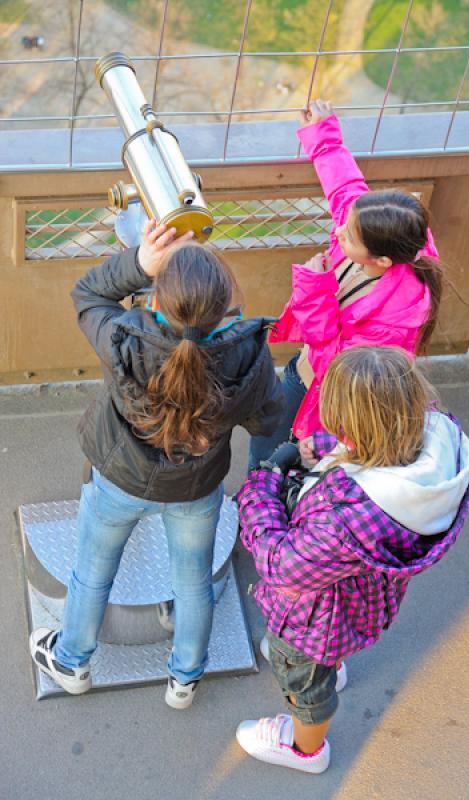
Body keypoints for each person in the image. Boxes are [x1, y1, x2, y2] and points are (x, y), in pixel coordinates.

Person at [30, 221, 284, 708]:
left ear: (157, 300)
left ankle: (73, 661)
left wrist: (139, 262)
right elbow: (266, 418)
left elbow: (87, 294)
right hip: (196, 490)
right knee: (192, 581)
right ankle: (185, 679)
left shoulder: (126, 340)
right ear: (224, 306)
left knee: (92, 572)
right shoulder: (248, 357)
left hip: (119, 480)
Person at [236, 346, 469, 773]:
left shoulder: (347, 518)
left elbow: (279, 563)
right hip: (359, 600)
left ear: (358, 425)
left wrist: (264, 480)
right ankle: (334, 663)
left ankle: (305, 748)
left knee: (305, 687)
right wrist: (328, 449)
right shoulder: (429, 445)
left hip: (311, 621)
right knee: (330, 650)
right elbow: (375, 441)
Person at [249, 99, 442, 468]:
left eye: (349, 237)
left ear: (381, 260)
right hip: (307, 371)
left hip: (324, 391)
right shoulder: (386, 233)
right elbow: (345, 189)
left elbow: (337, 364)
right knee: (270, 440)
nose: (338, 232)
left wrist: (314, 292)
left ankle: (262, 501)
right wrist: (323, 134)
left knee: (271, 454)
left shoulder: (397, 317)